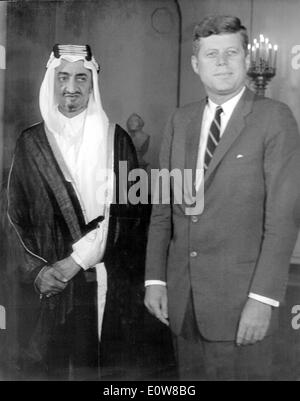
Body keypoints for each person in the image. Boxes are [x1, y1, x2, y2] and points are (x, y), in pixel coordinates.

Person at [144, 15, 300, 380]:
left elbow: (283, 219)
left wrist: (262, 300)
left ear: (246, 60)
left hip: (241, 306)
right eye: (211, 55)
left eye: (231, 52)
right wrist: (156, 280)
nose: (222, 62)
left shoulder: (274, 119)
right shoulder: (179, 122)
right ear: (196, 65)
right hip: (183, 304)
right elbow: (163, 212)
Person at [7, 44, 140, 380]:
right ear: (51, 81)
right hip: (44, 288)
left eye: (81, 78)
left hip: (100, 282)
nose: (71, 87)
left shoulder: (118, 140)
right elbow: (11, 215)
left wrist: (74, 262)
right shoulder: (30, 141)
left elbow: (129, 214)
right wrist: (38, 270)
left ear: (93, 84)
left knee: (95, 370)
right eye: (63, 77)